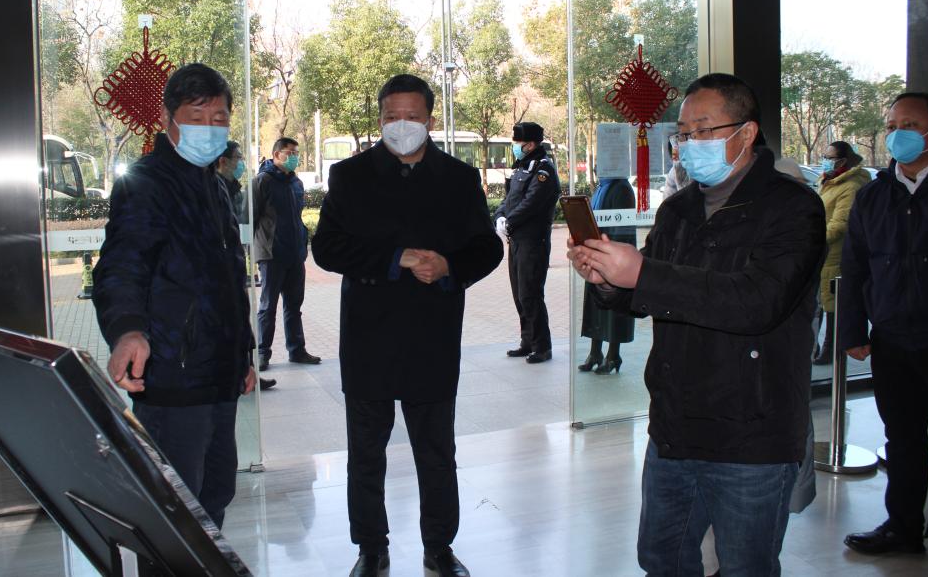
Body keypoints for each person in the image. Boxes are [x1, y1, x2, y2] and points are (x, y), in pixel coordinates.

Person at [568, 73, 825, 576]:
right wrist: (608, 281)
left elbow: (757, 302)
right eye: (684, 134)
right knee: (662, 558)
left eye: (704, 130)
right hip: (675, 424)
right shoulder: (679, 210)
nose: (689, 144)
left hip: (753, 430)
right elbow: (646, 297)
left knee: (746, 565)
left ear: (746, 133)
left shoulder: (793, 208)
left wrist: (642, 273)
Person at [312, 74, 503, 577]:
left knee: (436, 452)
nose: (401, 125)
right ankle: (371, 548)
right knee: (365, 454)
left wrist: (449, 266)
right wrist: (393, 258)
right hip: (369, 336)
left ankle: (439, 547)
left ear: (430, 120)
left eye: (412, 117)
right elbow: (326, 247)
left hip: (432, 336)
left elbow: (488, 247)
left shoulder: (458, 178)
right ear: (379, 119)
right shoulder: (350, 176)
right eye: (392, 117)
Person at [92, 63, 257, 527]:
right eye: (197, 117)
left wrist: (242, 357)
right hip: (173, 376)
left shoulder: (214, 185)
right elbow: (122, 264)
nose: (210, 128)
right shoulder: (146, 183)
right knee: (177, 510)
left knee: (216, 492)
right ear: (168, 119)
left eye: (219, 118)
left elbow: (227, 283)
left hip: (218, 374)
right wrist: (127, 330)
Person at [840, 92, 928, 555]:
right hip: (893, 336)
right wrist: (852, 330)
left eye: (910, 125)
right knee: (902, 437)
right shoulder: (874, 195)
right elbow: (855, 266)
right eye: (893, 125)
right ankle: (903, 527)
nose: (899, 134)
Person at [251, 137, 321, 371]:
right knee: (267, 307)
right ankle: (262, 353)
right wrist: (253, 252)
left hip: (294, 253)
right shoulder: (262, 181)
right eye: (290, 153)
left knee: (294, 305)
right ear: (276, 154)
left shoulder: (296, 183)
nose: (294, 157)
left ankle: (297, 350)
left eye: (296, 153)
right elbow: (251, 218)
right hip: (271, 254)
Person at [494, 121, 561, 363]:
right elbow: (510, 199)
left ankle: (542, 346)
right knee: (519, 294)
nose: (515, 147)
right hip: (517, 240)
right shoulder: (522, 167)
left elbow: (532, 202)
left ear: (531, 144)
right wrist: (500, 216)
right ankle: (528, 341)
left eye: (518, 143)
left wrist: (510, 220)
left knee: (530, 293)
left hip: (533, 241)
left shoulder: (543, 170)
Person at [216, 140, 276, 391]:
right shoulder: (214, 188)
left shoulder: (232, 189)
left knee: (242, 323)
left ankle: (247, 373)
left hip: (234, 266)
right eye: (238, 158)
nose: (241, 163)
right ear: (223, 161)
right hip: (221, 272)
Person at [812, 141, 871, 365]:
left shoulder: (850, 186)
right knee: (824, 304)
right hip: (825, 254)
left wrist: (813, 240)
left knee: (834, 306)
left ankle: (831, 350)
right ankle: (821, 348)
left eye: (829, 157)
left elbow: (840, 224)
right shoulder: (829, 181)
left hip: (837, 254)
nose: (825, 161)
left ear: (843, 160)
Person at [578, 174, 635, 374]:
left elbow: (623, 227)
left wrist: (612, 255)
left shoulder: (622, 188)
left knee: (613, 310)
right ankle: (595, 353)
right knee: (596, 306)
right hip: (598, 252)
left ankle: (613, 355)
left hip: (612, 255)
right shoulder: (603, 187)